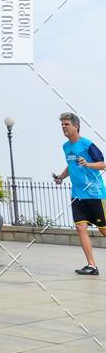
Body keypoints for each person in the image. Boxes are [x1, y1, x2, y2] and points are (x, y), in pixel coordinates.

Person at [53, 112, 106, 275]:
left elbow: (102, 164)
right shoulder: (66, 146)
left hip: (95, 194)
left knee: (103, 229)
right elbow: (71, 166)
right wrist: (61, 177)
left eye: (66, 124)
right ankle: (92, 266)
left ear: (76, 126)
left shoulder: (87, 144)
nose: (63, 127)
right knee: (80, 227)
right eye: (62, 124)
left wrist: (88, 164)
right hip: (77, 195)